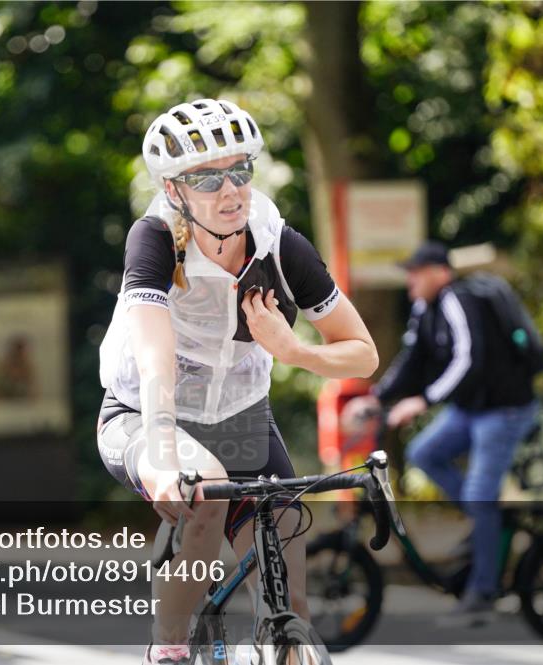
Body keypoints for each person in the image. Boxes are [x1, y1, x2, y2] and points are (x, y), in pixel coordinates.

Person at [96, 98, 378, 664]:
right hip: (144, 414)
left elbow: (363, 355)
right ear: (174, 190)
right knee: (204, 493)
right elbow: (154, 358)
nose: (230, 191)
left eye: (240, 171)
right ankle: (169, 649)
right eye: (207, 178)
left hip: (241, 416)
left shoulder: (279, 245)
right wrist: (163, 451)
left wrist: (293, 350)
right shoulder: (154, 239)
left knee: (290, 591)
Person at [345, 240, 539, 624]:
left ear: (441, 273)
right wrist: (376, 398)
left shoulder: (456, 301)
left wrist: (424, 400)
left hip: (505, 410)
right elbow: (412, 360)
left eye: (417, 273)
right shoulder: (424, 308)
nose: (410, 280)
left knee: (480, 493)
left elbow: (469, 360)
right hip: (470, 409)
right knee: (424, 453)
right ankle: (486, 523)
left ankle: (483, 593)